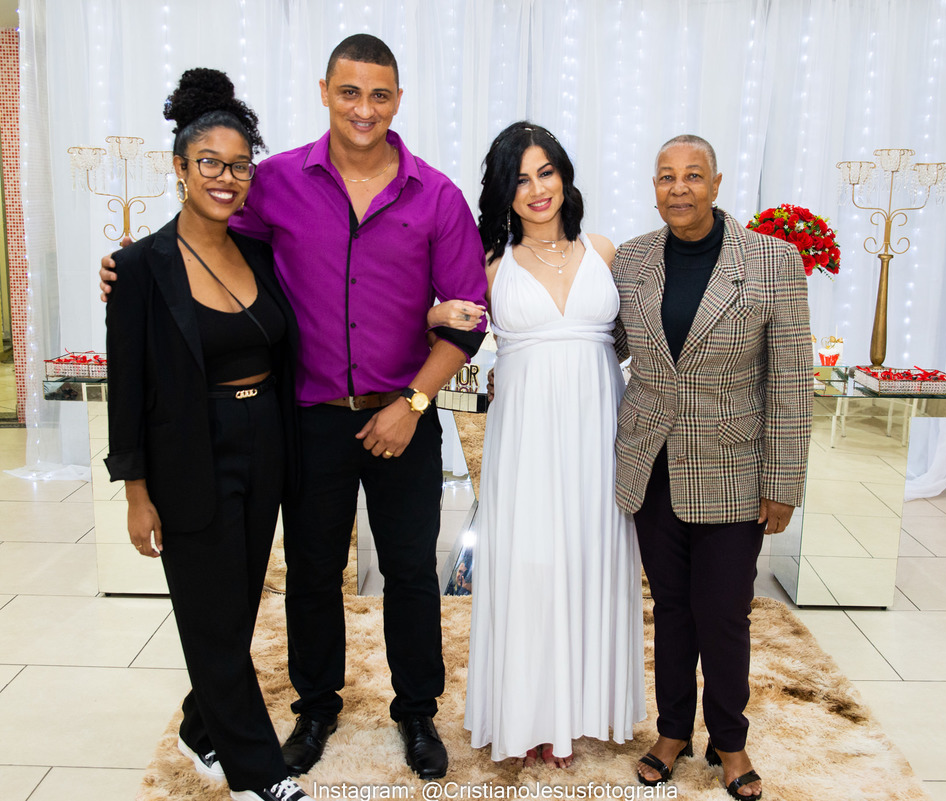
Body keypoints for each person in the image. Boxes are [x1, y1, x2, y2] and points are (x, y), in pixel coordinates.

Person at [101, 34, 488, 781]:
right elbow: (207, 242)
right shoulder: (274, 181)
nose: (364, 108)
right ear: (324, 93)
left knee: (412, 570)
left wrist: (414, 402)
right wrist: (134, 267)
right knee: (312, 570)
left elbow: (468, 318)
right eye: (350, 92)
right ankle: (315, 707)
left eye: (379, 94)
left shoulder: (436, 195)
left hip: (405, 412)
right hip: (307, 418)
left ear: (398, 101)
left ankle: (416, 711)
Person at [103, 68, 306, 801]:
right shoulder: (138, 267)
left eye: (240, 165)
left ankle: (201, 724)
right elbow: (126, 386)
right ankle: (259, 773)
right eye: (210, 163)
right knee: (210, 617)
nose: (226, 178)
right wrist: (136, 492)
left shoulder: (259, 253)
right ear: (180, 168)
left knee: (237, 603)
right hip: (190, 449)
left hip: (264, 440)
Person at [436, 122, 646, 768]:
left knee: (589, 557)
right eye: (520, 178)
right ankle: (526, 713)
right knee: (529, 564)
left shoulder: (604, 251)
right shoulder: (489, 265)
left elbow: (639, 337)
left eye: (546, 172)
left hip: (598, 430)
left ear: (564, 175)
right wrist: (435, 314)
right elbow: (438, 323)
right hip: (526, 436)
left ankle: (580, 709)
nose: (536, 189)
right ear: (504, 191)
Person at [612, 135, 811, 799]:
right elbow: (603, 343)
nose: (679, 188)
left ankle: (730, 739)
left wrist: (783, 482)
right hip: (651, 465)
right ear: (654, 186)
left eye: (693, 176)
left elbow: (791, 379)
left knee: (723, 612)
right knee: (670, 607)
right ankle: (672, 731)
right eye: (666, 176)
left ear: (717, 183)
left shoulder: (772, 261)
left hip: (733, 467)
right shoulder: (632, 259)